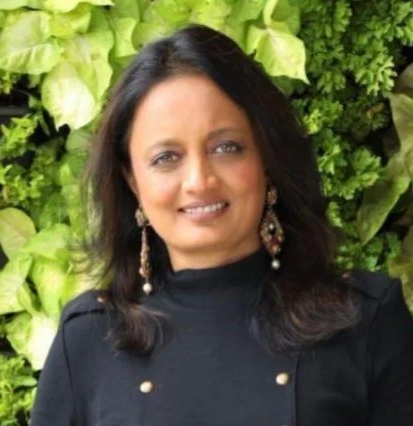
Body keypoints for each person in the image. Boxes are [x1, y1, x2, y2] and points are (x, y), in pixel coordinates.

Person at [30, 24, 413, 426]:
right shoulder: (89, 337)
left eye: (226, 147)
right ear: (132, 182)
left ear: (266, 160)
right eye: (165, 158)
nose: (199, 181)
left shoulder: (365, 321)